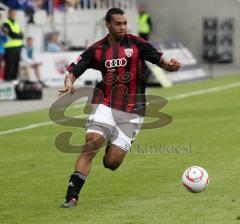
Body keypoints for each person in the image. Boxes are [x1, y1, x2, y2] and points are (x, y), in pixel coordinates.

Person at [58, 7, 181, 208]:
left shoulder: (137, 44)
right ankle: (72, 196)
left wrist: (171, 65)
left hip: (133, 109)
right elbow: (74, 70)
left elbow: (161, 61)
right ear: (108, 25)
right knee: (91, 144)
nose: (123, 27)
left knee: (112, 163)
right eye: (118, 23)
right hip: (105, 103)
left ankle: (113, 143)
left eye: (125, 23)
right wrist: (69, 82)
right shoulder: (97, 49)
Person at [2, 8, 24, 81]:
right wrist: (18, 36)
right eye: (13, 14)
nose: (14, 15)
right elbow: (11, 34)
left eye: (15, 14)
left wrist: (18, 36)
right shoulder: (6, 23)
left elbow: (22, 35)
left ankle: (13, 84)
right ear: (9, 14)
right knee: (9, 68)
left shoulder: (15, 23)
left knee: (15, 67)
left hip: (17, 48)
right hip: (10, 48)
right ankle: (7, 85)